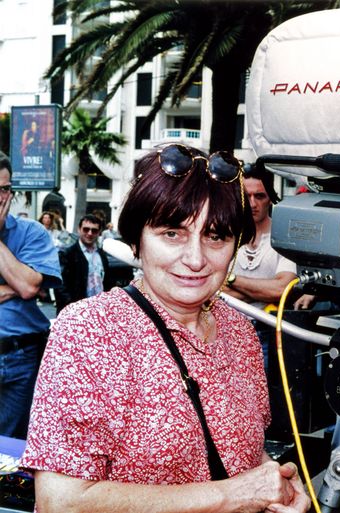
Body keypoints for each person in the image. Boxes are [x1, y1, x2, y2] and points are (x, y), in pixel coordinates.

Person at [20, 144, 309, 513]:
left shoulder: (240, 332)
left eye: (216, 236)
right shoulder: (89, 331)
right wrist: (234, 495)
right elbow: (60, 503)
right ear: (137, 239)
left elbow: (240, 455)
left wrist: (276, 483)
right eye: (172, 233)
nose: (195, 259)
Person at [0, 156, 62, 439]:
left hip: (20, 356)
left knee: (13, 449)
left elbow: (27, 287)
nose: (1, 197)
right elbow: (27, 285)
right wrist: (17, 283)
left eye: (4, 189)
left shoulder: (31, 233)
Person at [223, 165, 297, 363]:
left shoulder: (283, 237)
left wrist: (230, 279)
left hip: (266, 331)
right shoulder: (226, 234)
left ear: (270, 198)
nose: (253, 203)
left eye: (260, 196)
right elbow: (211, 289)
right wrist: (263, 287)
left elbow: (281, 289)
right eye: (247, 196)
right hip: (225, 330)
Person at [56, 214, 115, 313]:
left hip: (99, 310)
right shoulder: (67, 254)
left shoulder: (101, 254)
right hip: (75, 312)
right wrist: (72, 309)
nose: (90, 233)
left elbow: (107, 281)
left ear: (99, 232)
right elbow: (61, 286)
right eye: (86, 229)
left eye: (94, 230)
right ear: (79, 229)